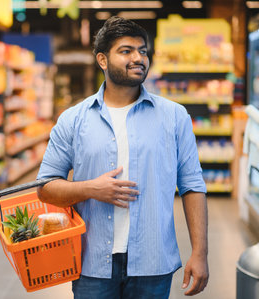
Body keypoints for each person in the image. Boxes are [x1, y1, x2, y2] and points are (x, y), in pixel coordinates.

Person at [36, 16, 208, 299]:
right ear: (102, 60)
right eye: (126, 51)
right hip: (92, 263)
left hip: (153, 263)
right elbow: (45, 187)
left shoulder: (174, 117)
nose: (138, 58)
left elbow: (192, 185)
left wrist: (199, 253)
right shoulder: (73, 120)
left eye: (143, 51)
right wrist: (91, 189)